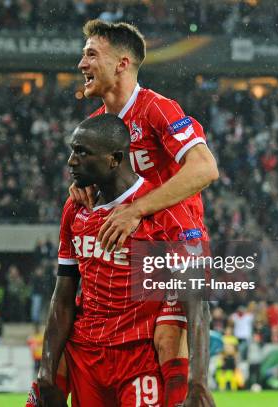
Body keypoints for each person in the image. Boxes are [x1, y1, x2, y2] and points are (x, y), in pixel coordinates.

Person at [70, 19, 218, 406]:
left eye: (90, 54)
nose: (81, 63)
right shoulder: (100, 126)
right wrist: (84, 182)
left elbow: (204, 168)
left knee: (167, 338)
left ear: (121, 63)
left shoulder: (157, 109)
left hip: (173, 243)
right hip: (125, 253)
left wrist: (137, 210)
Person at [38, 114, 199, 407]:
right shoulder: (75, 209)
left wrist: (197, 379)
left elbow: (194, 298)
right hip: (87, 353)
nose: (72, 161)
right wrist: (45, 371)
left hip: (138, 357)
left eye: (82, 152)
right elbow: (63, 295)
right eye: (73, 150)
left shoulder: (162, 209)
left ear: (115, 159)